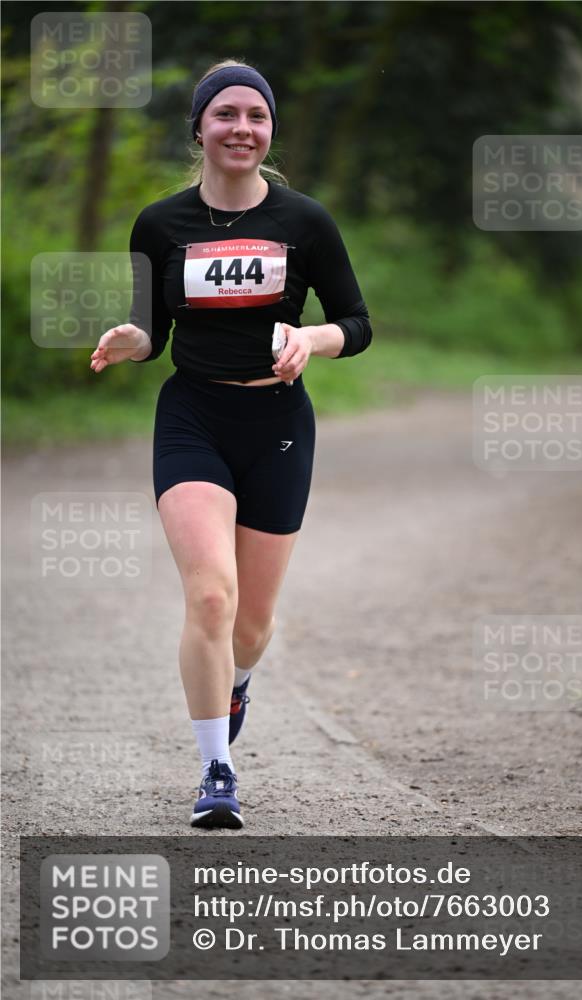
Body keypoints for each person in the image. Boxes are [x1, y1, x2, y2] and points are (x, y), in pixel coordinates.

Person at [89, 59, 372, 830]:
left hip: (277, 424)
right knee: (210, 593)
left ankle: (239, 677)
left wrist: (309, 339)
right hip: (192, 419)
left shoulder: (304, 222)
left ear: (269, 130)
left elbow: (357, 322)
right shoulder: (160, 224)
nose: (241, 127)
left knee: (249, 621)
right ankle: (217, 769)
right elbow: (156, 332)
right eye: (226, 114)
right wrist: (131, 338)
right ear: (200, 128)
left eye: (256, 115)